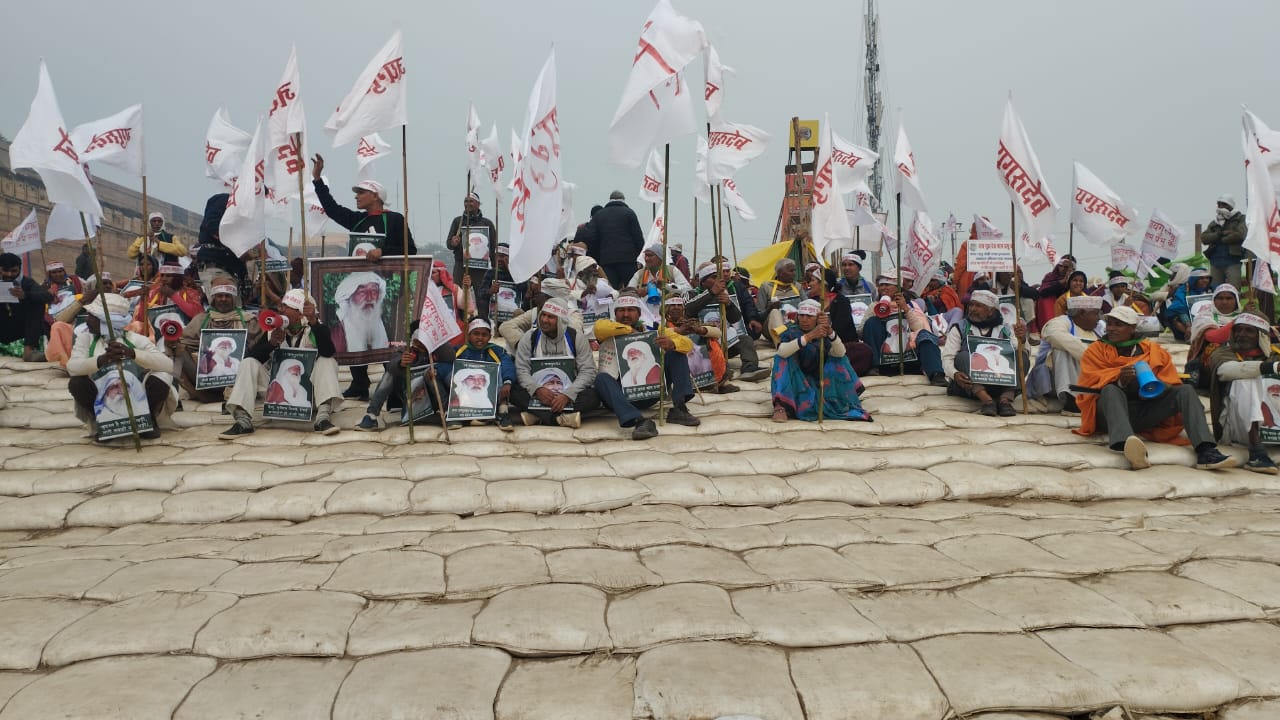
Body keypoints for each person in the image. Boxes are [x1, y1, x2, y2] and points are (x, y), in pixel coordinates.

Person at [1074, 305, 1237, 471]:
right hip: (1110, 415)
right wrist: (1120, 381)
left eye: (1118, 324)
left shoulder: (1153, 350)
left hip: (1145, 411)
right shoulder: (1095, 351)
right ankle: (1126, 445)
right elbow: (1090, 383)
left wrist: (1152, 387)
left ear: (1132, 328)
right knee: (1110, 390)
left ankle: (1206, 451)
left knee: (1185, 391)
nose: (1112, 328)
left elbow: (1171, 382)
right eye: (1110, 323)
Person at [311, 154, 417, 400]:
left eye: (361, 193)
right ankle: (359, 383)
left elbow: (410, 250)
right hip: (357, 285)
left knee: (388, 337)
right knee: (354, 333)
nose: (357, 197)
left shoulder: (394, 219)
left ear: (376, 196)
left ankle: (394, 387)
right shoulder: (357, 220)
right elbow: (332, 209)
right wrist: (317, 180)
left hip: (384, 287)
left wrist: (383, 251)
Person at [220, 288, 343, 437]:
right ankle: (243, 420)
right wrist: (271, 344)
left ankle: (322, 419)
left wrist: (314, 323)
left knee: (327, 361)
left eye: (286, 307)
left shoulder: (316, 329)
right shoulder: (274, 330)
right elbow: (251, 357)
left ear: (299, 313)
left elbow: (328, 351)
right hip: (278, 395)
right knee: (248, 363)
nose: (280, 309)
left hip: (311, 396)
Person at [65, 292, 174, 440]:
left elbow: (168, 365)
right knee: (77, 383)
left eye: (92, 316)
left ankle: (146, 421)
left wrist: (132, 354)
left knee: (162, 376)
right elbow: (72, 367)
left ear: (106, 321)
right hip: (102, 397)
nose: (87, 320)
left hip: (137, 398)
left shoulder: (136, 339)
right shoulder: (85, 339)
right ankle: (104, 424)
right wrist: (102, 360)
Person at [594, 291, 700, 439]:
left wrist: (672, 344)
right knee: (601, 379)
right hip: (619, 396)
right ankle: (639, 421)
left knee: (676, 353)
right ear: (615, 313)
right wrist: (631, 331)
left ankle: (680, 408)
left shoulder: (652, 330)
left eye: (631, 310)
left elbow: (688, 344)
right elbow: (599, 328)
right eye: (621, 310)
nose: (626, 314)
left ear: (639, 314)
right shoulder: (607, 330)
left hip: (649, 393)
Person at [770, 298, 873, 424]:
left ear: (817, 318)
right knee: (781, 359)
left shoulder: (823, 332)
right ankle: (781, 406)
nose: (804, 319)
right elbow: (782, 351)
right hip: (796, 382)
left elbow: (840, 353)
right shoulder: (790, 331)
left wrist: (830, 332)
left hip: (819, 381)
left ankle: (840, 400)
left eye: (809, 316)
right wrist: (809, 337)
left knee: (839, 359)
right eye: (801, 315)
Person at [512, 297, 601, 427]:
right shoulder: (530, 337)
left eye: (551, 317)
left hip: (568, 393)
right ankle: (561, 418)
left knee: (595, 396)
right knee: (513, 390)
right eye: (543, 315)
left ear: (561, 320)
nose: (544, 320)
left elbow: (588, 371)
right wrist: (537, 389)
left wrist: (568, 394)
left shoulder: (576, 337)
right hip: (538, 394)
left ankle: (538, 415)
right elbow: (521, 369)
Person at [1208, 312, 1280, 473]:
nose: (1241, 334)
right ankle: (1257, 453)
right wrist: (1271, 367)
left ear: (1261, 335)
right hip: (1237, 428)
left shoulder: (1275, 354)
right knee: (1245, 379)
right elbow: (1225, 371)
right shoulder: (1223, 353)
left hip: (1275, 424)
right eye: (1238, 330)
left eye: (1249, 330)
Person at [942, 289, 1027, 417]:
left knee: (1022, 356)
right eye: (971, 305)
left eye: (978, 306)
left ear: (991, 311)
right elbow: (947, 358)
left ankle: (1005, 401)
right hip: (969, 385)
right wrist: (955, 374)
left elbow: (1017, 348)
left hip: (1000, 384)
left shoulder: (1005, 329)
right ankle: (987, 401)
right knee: (963, 356)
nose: (972, 309)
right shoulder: (959, 328)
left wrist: (1022, 339)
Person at [355, 323, 453, 431]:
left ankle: (447, 413)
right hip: (412, 397)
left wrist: (438, 344)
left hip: (434, 396)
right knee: (390, 374)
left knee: (435, 373)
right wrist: (401, 363)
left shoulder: (438, 350)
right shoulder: (406, 351)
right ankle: (372, 415)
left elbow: (451, 358)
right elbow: (391, 365)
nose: (421, 345)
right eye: (418, 342)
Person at [174, 281, 259, 403]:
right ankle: (200, 394)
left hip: (239, 380)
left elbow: (258, 348)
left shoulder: (248, 320)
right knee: (178, 350)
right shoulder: (201, 319)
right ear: (214, 298)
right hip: (204, 380)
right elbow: (185, 341)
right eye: (220, 296)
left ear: (234, 299)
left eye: (227, 296)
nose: (223, 299)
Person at [685, 261, 769, 381]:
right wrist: (711, 293)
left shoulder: (723, 294)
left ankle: (749, 367)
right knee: (711, 346)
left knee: (745, 339)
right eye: (713, 277)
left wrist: (729, 304)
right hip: (703, 343)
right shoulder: (691, 293)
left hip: (724, 339)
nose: (718, 281)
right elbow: (688, 309)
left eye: (719, 278)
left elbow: (736, 318)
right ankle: (722, 372)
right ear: (703, 281)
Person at [861, 276, 948, 386]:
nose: (883, 288)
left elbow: (919, 327)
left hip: (909, 353)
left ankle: (936, 375)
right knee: (871, 322)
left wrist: (905, 308)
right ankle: (875, 367)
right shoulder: (874, 306)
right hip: (886, 358)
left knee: (924, 335)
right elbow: (862, 331)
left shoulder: (911, 304)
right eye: (881, 285)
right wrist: (878, 313)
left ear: (897, 288)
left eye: (887, 285)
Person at [1027, 294, 1103, 413]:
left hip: (1086, 379)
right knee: (1062, 349)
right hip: (1052, 381)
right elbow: (1054, 335)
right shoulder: (1060, 322)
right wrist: (1092, 356)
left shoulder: (1098, 328)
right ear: (1082, 313)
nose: (1099, 318)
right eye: (1096, 313)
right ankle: (1071, 400)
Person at [664, 294, 736, 393]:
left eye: (679, 305)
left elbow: (718, 333)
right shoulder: (660, 323)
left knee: (711, 341)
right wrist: (679, 331)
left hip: (699, 359)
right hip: (678, 361)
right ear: (666, 308)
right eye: (673, 305)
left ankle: (717, 380)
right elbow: (661, 335)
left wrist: (700, 330)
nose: (676, 307)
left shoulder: (689, 321)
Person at [452, 317, 516, 428]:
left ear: (489, 337)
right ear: (469, 335)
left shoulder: (497, 351)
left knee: (502, 371)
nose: (480, 338)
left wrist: (507, 382)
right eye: (476, 334)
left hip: (491, 394)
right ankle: (453, 414)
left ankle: (502, 412)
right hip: (465, 396)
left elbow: (508, 365)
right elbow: (446, 366)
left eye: (484, 335)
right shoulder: (459, 351)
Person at [581, 191, 646, 289]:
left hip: (606, 261)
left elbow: (591, 238)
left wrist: (598, 257)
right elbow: (638, 238)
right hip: (628, 260)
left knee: (609, 291)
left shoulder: (599, 215)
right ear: (623, 200)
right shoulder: (629, 213)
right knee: (631, 289)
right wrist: (638, 256)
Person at [1185, 283, 1242, 389]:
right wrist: (1239, 320)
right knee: (1214, 345)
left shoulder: (1244, 315)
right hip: (1213, 359)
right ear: (1214, 300)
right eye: (1220, 298)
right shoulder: (1204, 316)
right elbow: (1213, 337)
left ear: (1236, 301)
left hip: (1241, 353)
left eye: (1229, 298)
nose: (1224, 302)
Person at [0, 252, 52, 361]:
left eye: (13, 271)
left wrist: (25, 295)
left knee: (36, 303)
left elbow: (47, 296)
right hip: (4, 328)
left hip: (24, 330)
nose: (9, 274)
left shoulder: (26, 283)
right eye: (5, 270)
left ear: (19, 269)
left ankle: (29, 350)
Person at [446, 192, 498, 292]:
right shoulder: (457, 221)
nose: (467, 204)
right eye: (465, 201)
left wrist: (495, 268)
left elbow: (492, 247)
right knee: (458, 293)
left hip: (480, 267)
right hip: (461, 266)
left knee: (481, 295)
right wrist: (453, 242)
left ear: (478, 204)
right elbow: (449, 244)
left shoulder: (487, 223)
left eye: (471, 201)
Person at [329, 271, 389, 354]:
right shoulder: (336, 336)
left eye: (374, 291)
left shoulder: (385, 328)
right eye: (362, 292)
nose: (369, 298)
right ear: (349, 297)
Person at [568, 256, 617, 344]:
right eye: (592, 268)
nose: (596, 271)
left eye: (595, 267)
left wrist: (611, 296)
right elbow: (564, 294)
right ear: (581, 273)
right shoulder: (571, 283)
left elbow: (616, 293)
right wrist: (584, 293)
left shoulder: (601, 283)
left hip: (602, 329)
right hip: (581, 331)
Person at [1202, 194, 1247, 288]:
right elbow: (1204, 238)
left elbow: (1240, 235)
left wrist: (1218, 239)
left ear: (1230, 205)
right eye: (1219, 204)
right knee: (1215, 290)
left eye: (1224, 204)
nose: (1220, 206)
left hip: (1233, 261)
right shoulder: (1215, 222)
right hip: (1215, 261)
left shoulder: (1240, 219)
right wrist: (1220, 234)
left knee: (1233, 289)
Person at [756, 258, 804, 346]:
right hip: (771, 328)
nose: (794, 273)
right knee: (774, 312)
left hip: (795, 326)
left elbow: (807, 304)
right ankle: (782, 344)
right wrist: (770, 309)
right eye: (791, 271)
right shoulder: (766, 287)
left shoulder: (798, 287)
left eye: (794, 270)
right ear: (780, 273)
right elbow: (758, 316)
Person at [479, 243, 528, 323]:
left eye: (502, 257)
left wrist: (510, 269)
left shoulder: (518, 274)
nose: (499, 259)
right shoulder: (491, 273)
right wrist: (490, 291)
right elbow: (481, 294)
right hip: (495, 316)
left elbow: (524, 290)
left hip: (513, 317)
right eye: (497, 256)